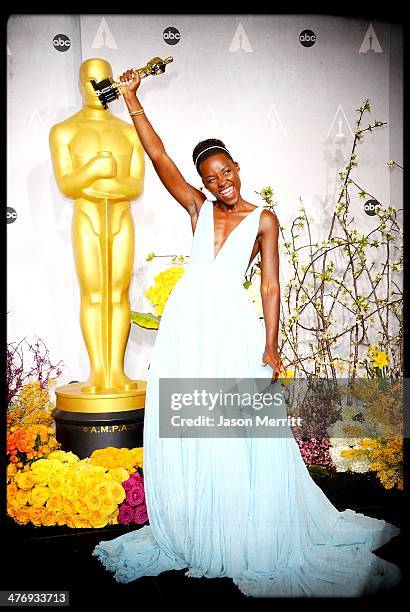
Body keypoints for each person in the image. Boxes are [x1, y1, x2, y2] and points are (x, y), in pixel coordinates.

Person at [92, 69, 401, 597]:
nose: (219, 183)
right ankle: (196, 525)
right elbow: (159, 156)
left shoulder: (264, 220)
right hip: (186, 328)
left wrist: (272, 346)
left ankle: (241, 526)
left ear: (236, 165)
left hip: (231, 328)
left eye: (224, 172)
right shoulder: (197, 206)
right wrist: (132, 99)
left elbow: (271, 288)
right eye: (210, 178)